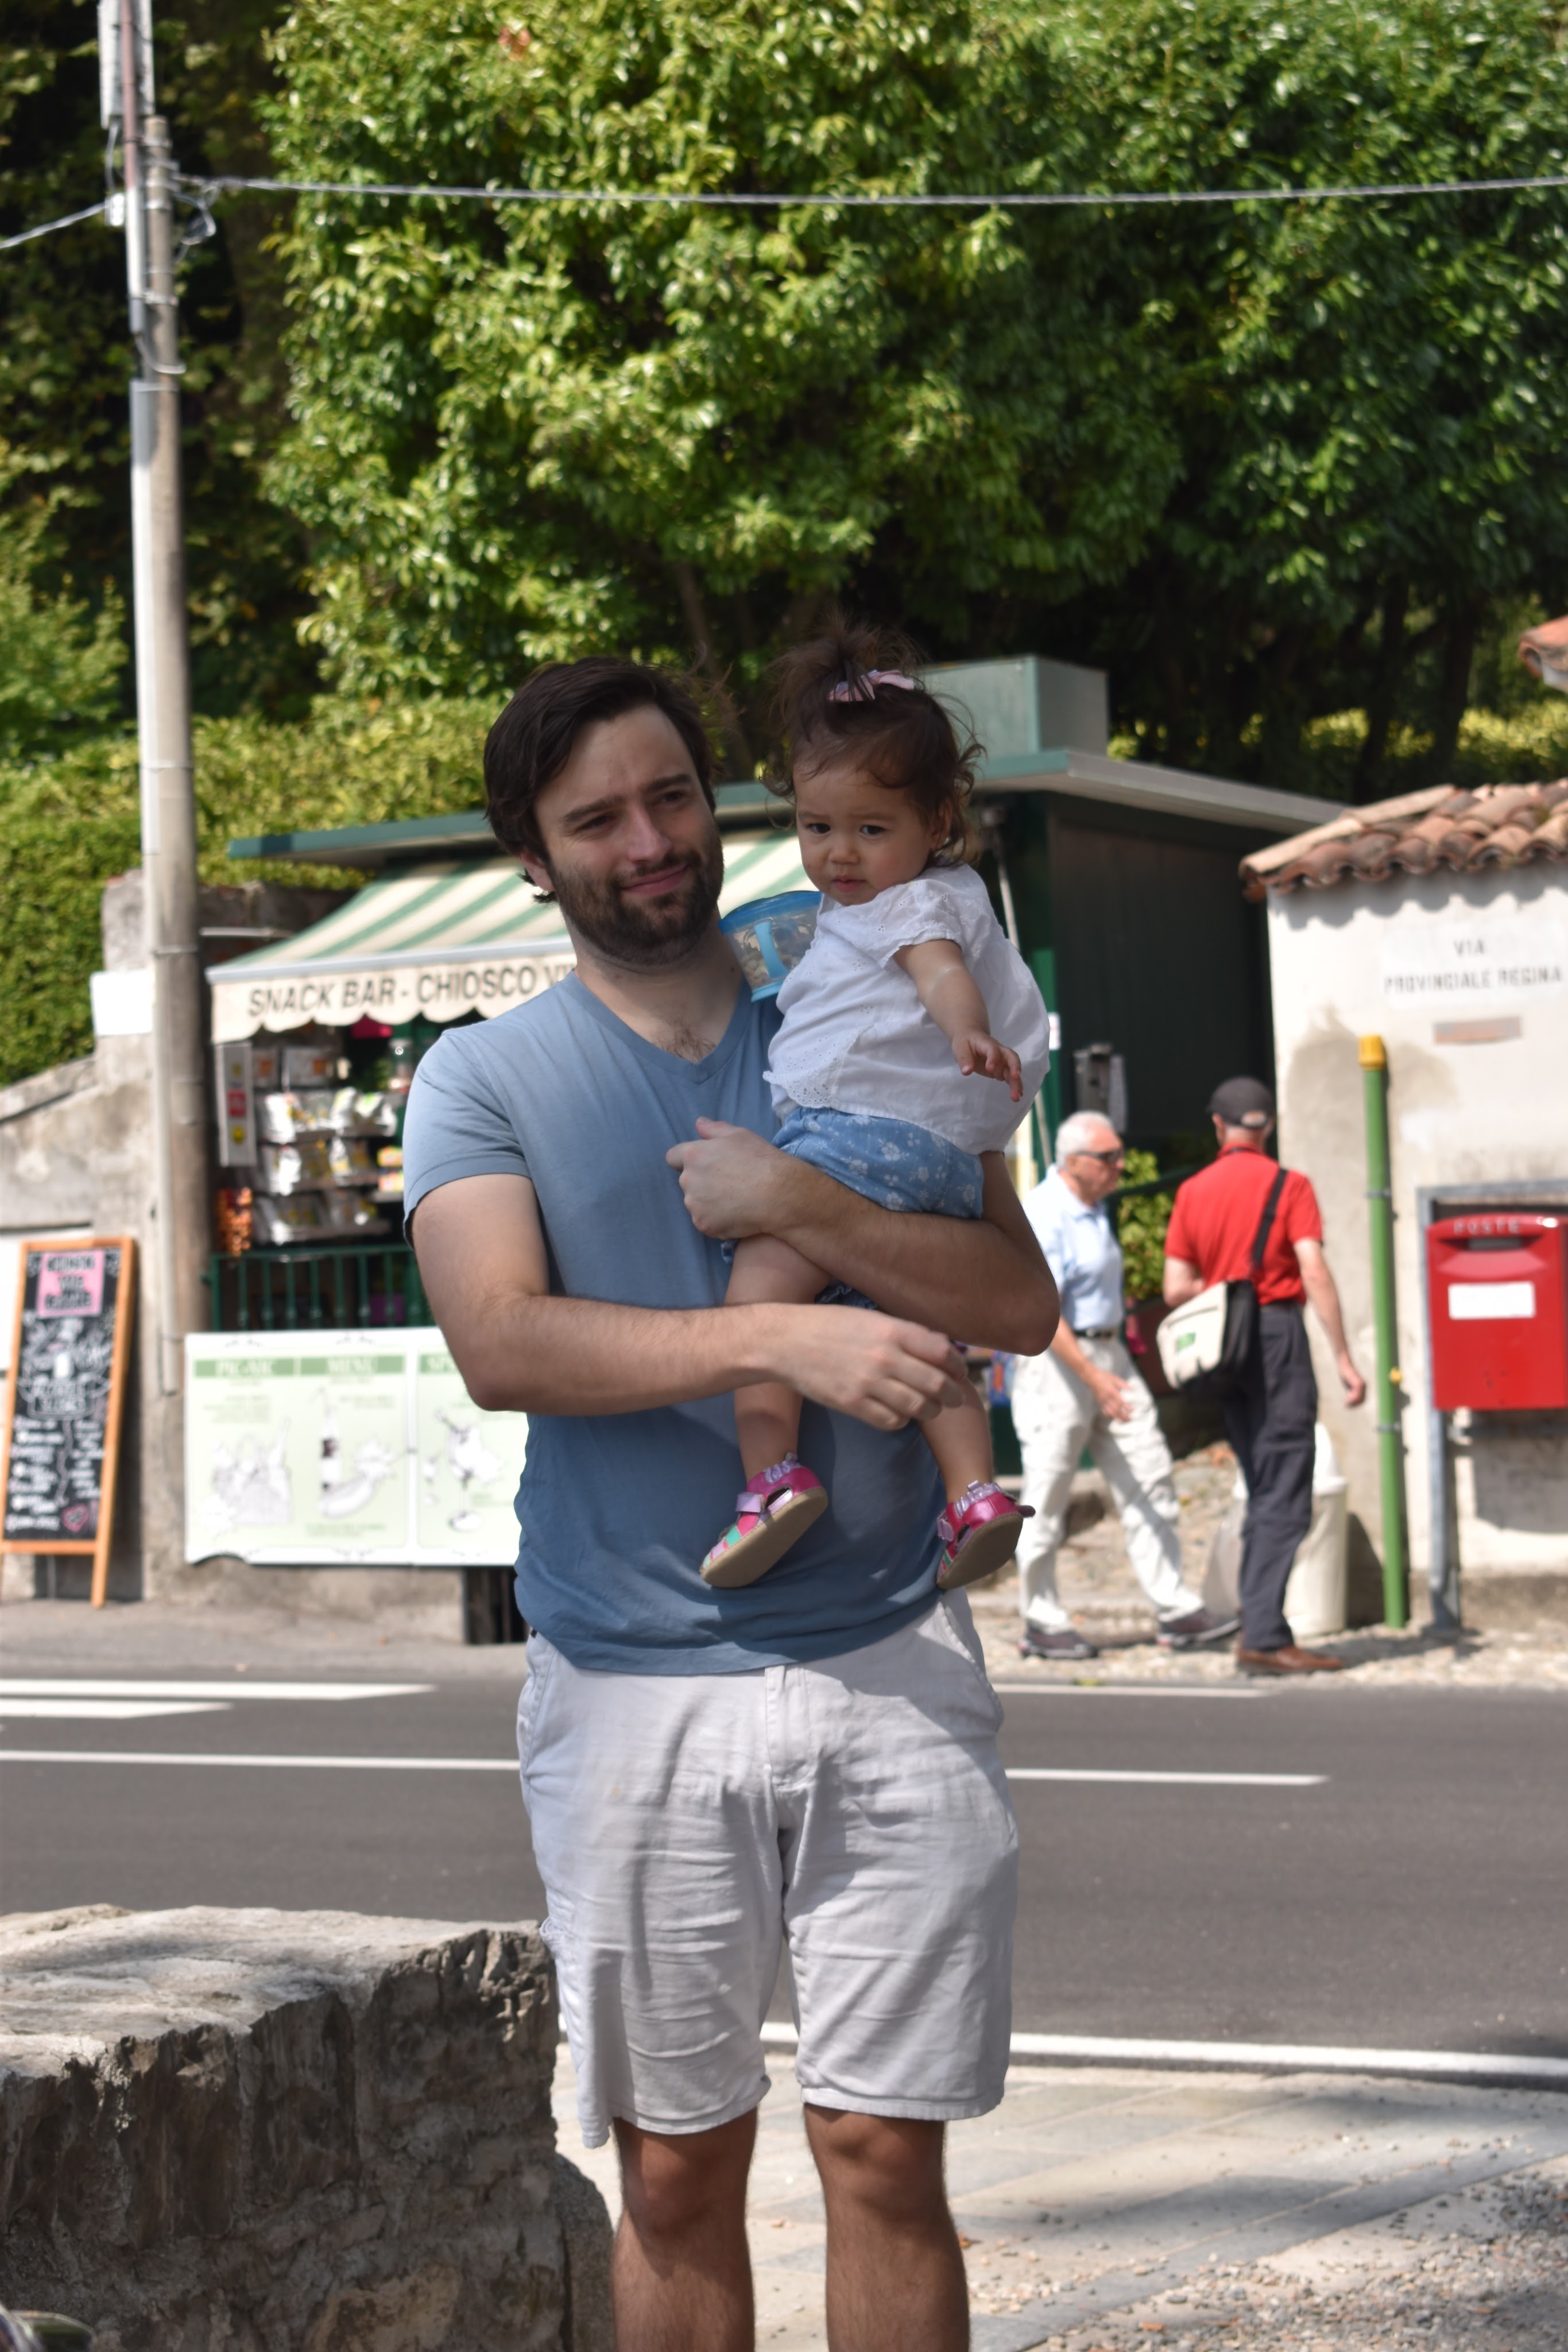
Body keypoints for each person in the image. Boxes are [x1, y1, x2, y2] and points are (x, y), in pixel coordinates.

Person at [402, 652, 1059, 2352]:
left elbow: (1015, 1302)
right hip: (633, 1682)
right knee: (676, 2171)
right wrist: (780, 1334)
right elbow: (499, 1341)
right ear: (533, 857)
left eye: (672, 796)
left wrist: (803, 1209)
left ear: (721, 805)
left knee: (886, 2154)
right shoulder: (482, 1075)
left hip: (889, 1658)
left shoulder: (851, 1004)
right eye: (595, 819)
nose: (647, 840)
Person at [702, 624, 1051, 1592]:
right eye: (817, 827)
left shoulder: (911, 905)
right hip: (937, 1164)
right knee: (913, 1334)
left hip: (858, 1142)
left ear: (937, 821)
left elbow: (937, 973)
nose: (839, 855)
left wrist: (966, 1031)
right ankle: (974, 1494)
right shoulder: (922, 895)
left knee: (755, 1305)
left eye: (869, 829)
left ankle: (771, 1479)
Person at [1011, 1112, 1238, 1661]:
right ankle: (1040, 1617)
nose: (1120, 1165)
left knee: (1150, 1471)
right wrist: (1093, 1377)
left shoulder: (1093, 1208)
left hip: (1108, 1353)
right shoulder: (1045, 1212)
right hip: (1060, 1360)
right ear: (1073, 1162)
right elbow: (1043, 1311)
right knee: (1047, 1489)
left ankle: (1174, 1606)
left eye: (1119, 1154)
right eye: (1108, 1157)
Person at [1162, 1076, 1366, 1677]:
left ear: (1218, 1126)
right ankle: (1264, 1636)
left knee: (1262, 1481)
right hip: (1276, 1335)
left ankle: (1259, 1625)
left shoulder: (1192, 1191)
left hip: (1224, 1346)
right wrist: (1343, 1357)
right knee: (1287, 1484)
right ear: (1267, 1126)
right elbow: (1314, 1272)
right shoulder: (1289, 1185)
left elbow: (1174, 1288)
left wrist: (1226, 1288)